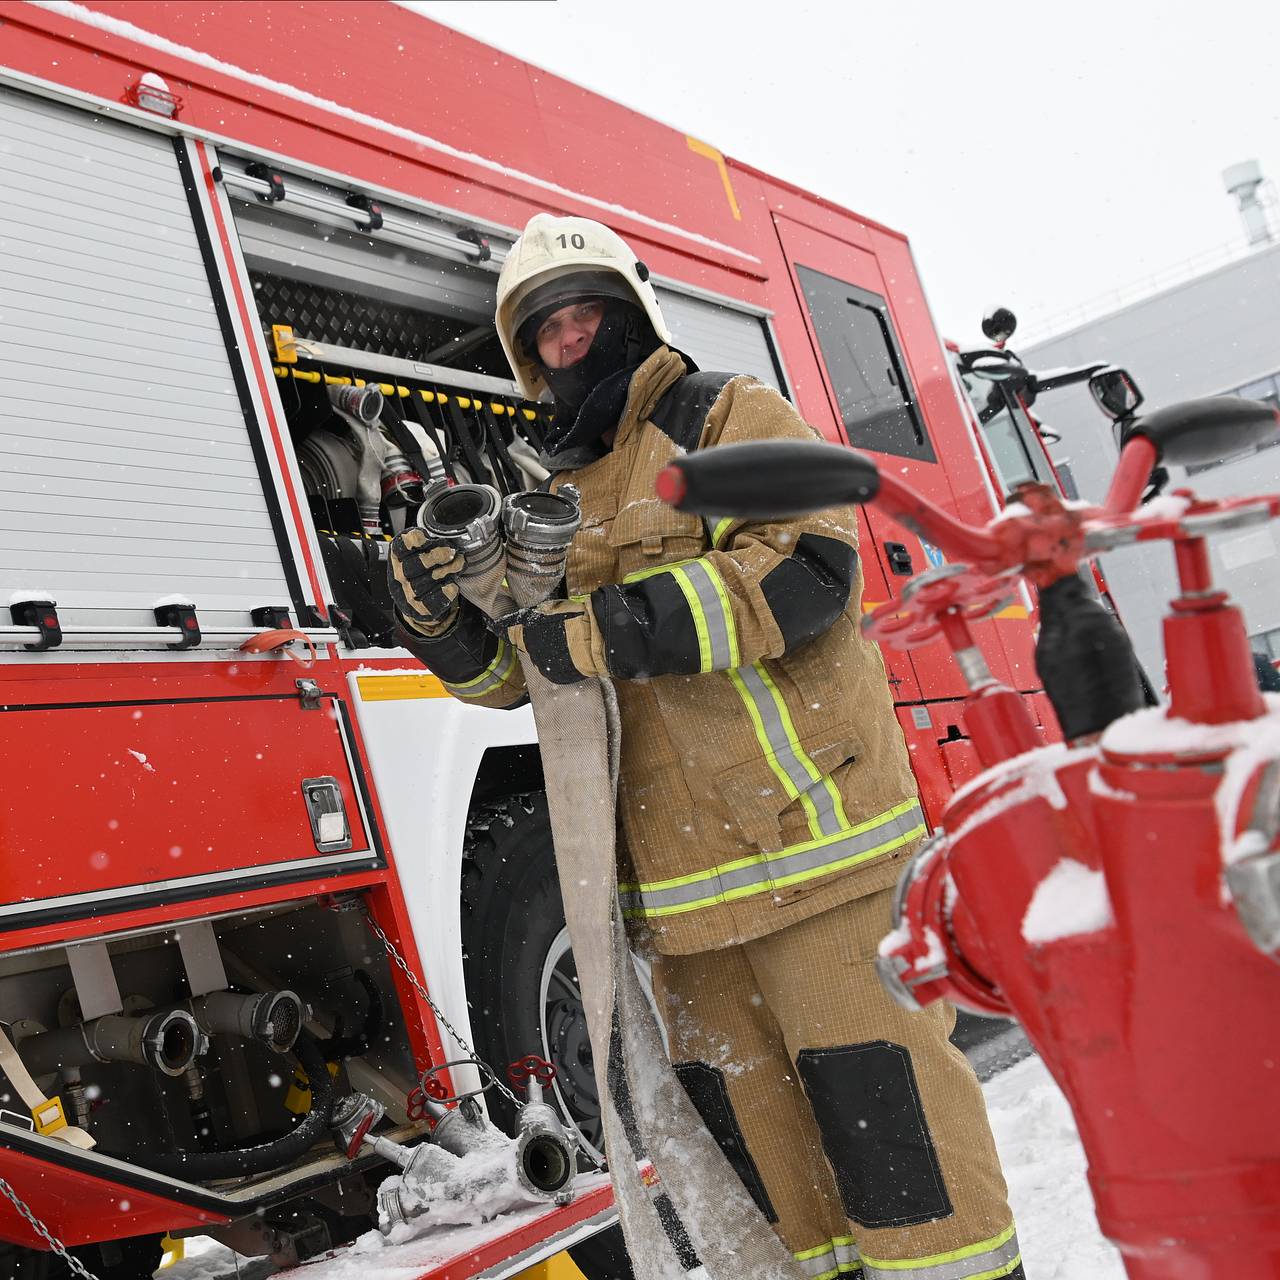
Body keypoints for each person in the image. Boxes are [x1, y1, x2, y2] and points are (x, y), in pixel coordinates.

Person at [388, 213, 1024, 1280]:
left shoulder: (726, 415)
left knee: (897, 1140)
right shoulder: (549, 492)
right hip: (681, 910)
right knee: (771, 1181)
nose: (566, 341)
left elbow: (809, 570)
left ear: (630, 312)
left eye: (583, 313)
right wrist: (444, 628)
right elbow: (529, 680)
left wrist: (604, 622)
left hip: (813, 858)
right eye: (542, 331)